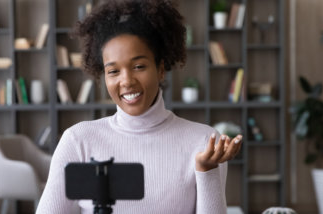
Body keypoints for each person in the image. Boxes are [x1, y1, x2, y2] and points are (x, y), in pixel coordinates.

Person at [36, 0, 242, 213]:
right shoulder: (78, 141)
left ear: (160, 69)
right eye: (113, 71)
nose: (126, 81)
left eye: (139, 66)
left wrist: (207, 171)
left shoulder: (204, 142)